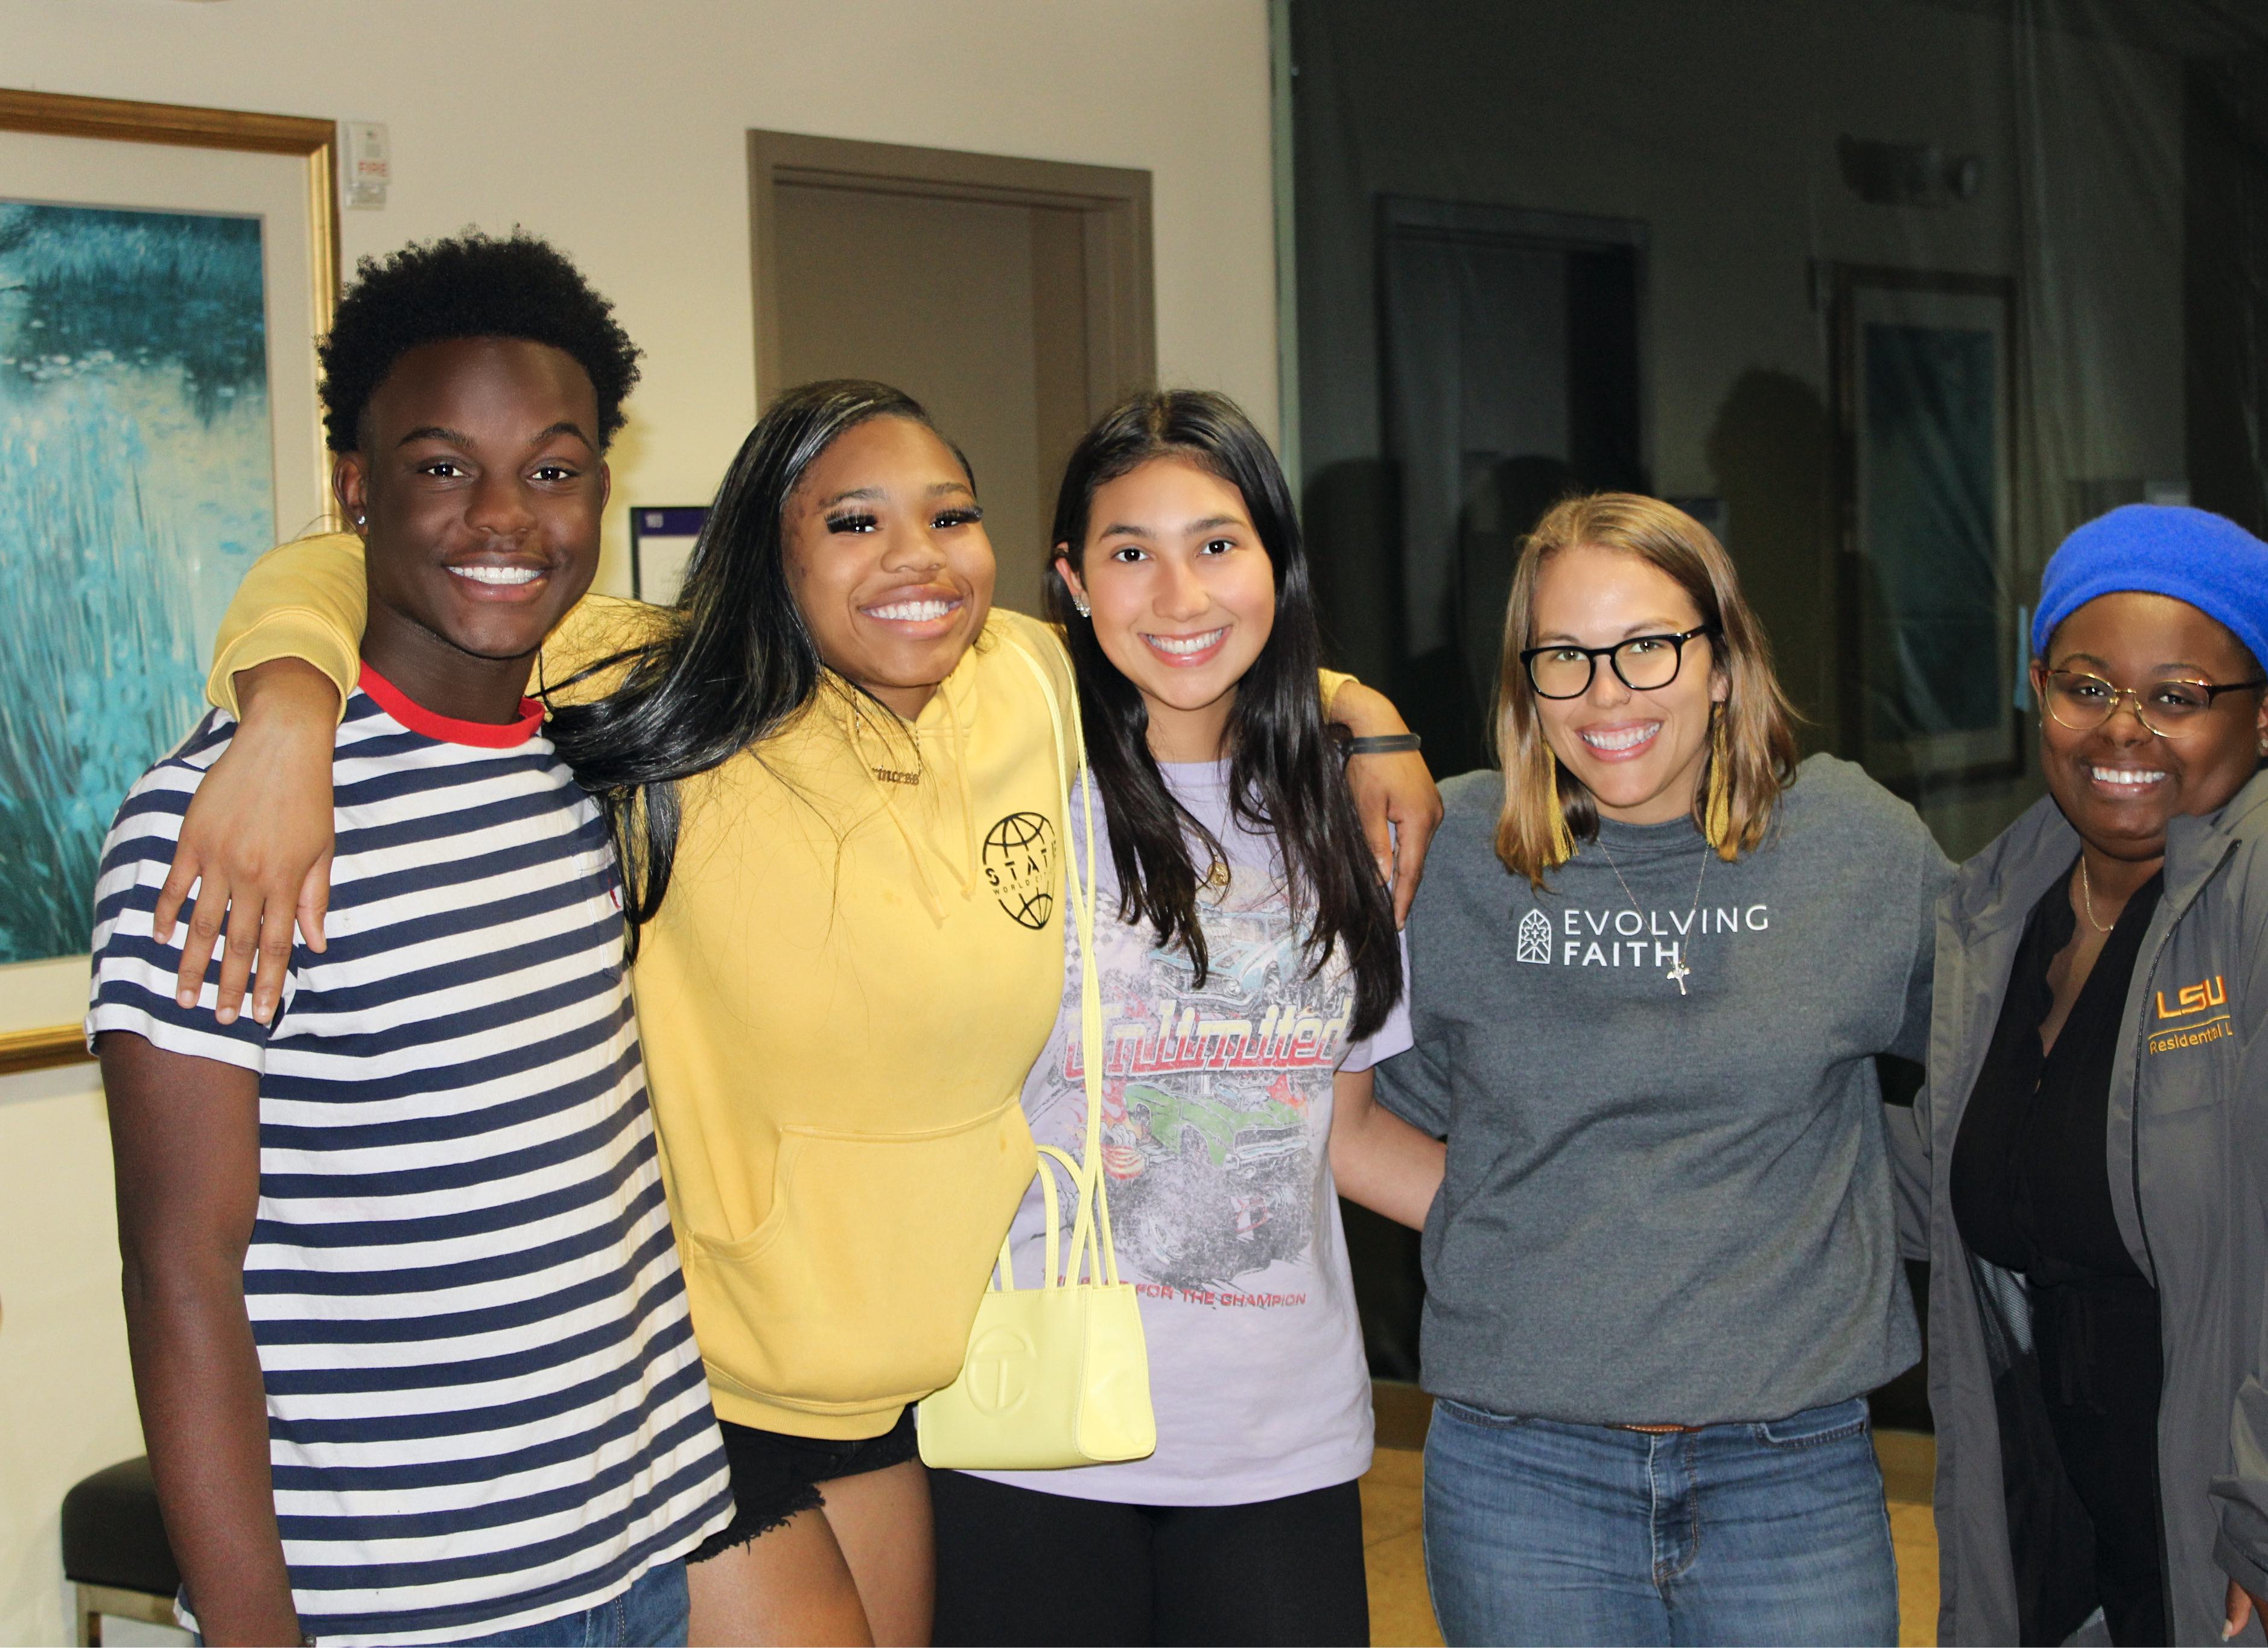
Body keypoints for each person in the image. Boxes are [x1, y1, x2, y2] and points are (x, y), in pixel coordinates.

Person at [167, 377, 1440, 1644]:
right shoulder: (666, 683)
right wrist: (286, 706)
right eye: (854, 522)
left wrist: (1366, 717)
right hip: (705, 1380)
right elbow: (355, 573)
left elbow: (1188, 636)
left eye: (950, 517)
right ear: (770, 548)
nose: (915, 557)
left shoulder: (1020, 683)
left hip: (906, 1393)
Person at [87, 233, 732, 1647]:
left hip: (638, 1554)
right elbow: (181, 1271)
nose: (504, 517)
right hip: (403, 1603)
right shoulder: (227, 823)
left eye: (552, 471)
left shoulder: (598, 764)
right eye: (443, 466)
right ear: (356, 488)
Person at [1374, 493, 1948, 1646]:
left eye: (1647, 647)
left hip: (1791, 1469)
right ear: (1526, 682)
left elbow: (1996, 1071)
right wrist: (1537, 1219)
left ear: (1723, 663)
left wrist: (1843, 1199)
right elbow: (1355, 1118)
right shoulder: (1455, 855)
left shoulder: (1855, 847)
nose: (1606, 696)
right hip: (1521, 1471)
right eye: (1565, 658)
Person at [1901, 504, 2268, 1646]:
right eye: (2087, 686)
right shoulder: (2008, 900)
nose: (2123, 730)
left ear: (2266, 714)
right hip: (2098, 1551)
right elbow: (1992, 1172)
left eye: (2177, 697)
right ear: (2038, 690)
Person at [927, 391, 1443, 1647]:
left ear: (1275, 564)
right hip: (1028, 1433)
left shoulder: (1349, 820)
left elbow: (1342, 1133)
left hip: (1278, 1448)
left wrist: (1576, 1225)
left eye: (1217, 544)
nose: (1178, 594)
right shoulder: (996, 791)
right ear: (1069, 582)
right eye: (1129, 552)